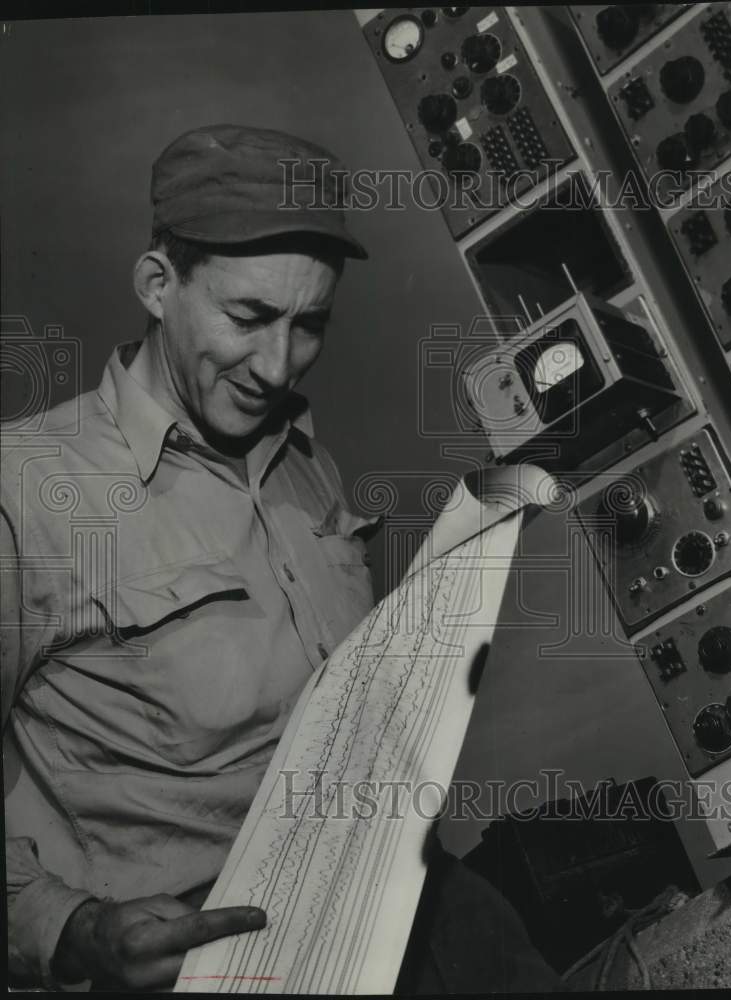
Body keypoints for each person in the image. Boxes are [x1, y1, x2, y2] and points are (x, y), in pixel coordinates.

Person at [2, 124, 561, 992]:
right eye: (249, 316)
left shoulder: (304, 464)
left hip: (434, 918)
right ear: (158, 285)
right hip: (229, 968)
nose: (277, 364)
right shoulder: (25, 490)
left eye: (309, 326)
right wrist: (71, 929)